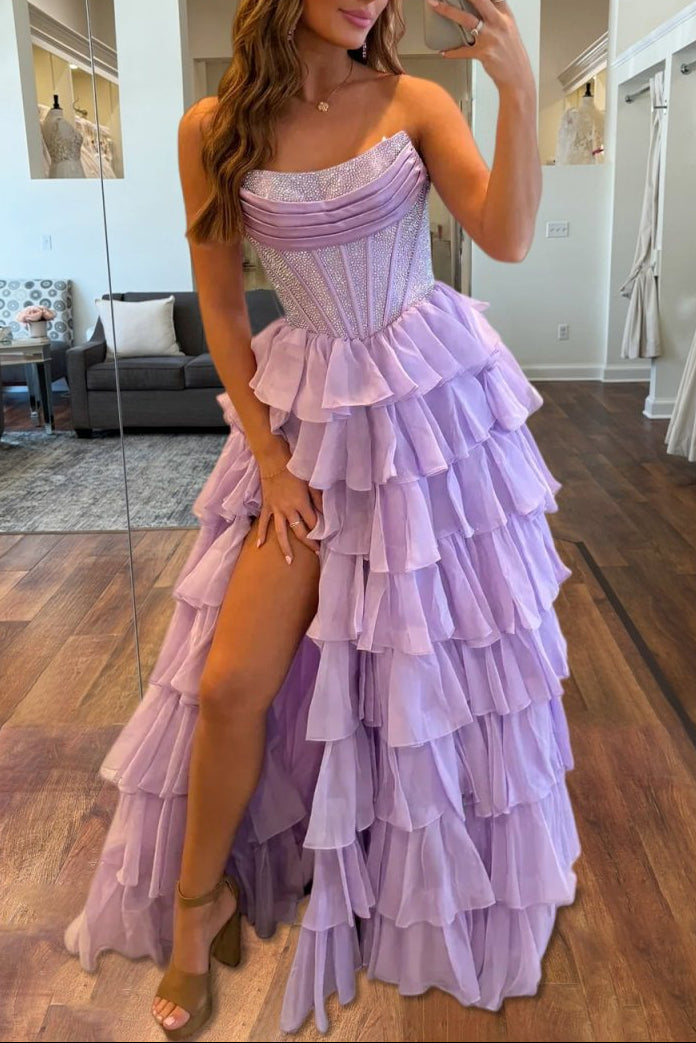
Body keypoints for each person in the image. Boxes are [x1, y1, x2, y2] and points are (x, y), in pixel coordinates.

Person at [65, 0, 581, 1038]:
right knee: (228, 683)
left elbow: (510, 236)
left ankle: (414, 874)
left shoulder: (415, 102)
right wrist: (269, 459)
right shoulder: (213, 128)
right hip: (305, 424)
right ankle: (195, 909)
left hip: (429, 416)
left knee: (429, 675)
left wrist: (520, 89)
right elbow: (222, 306)